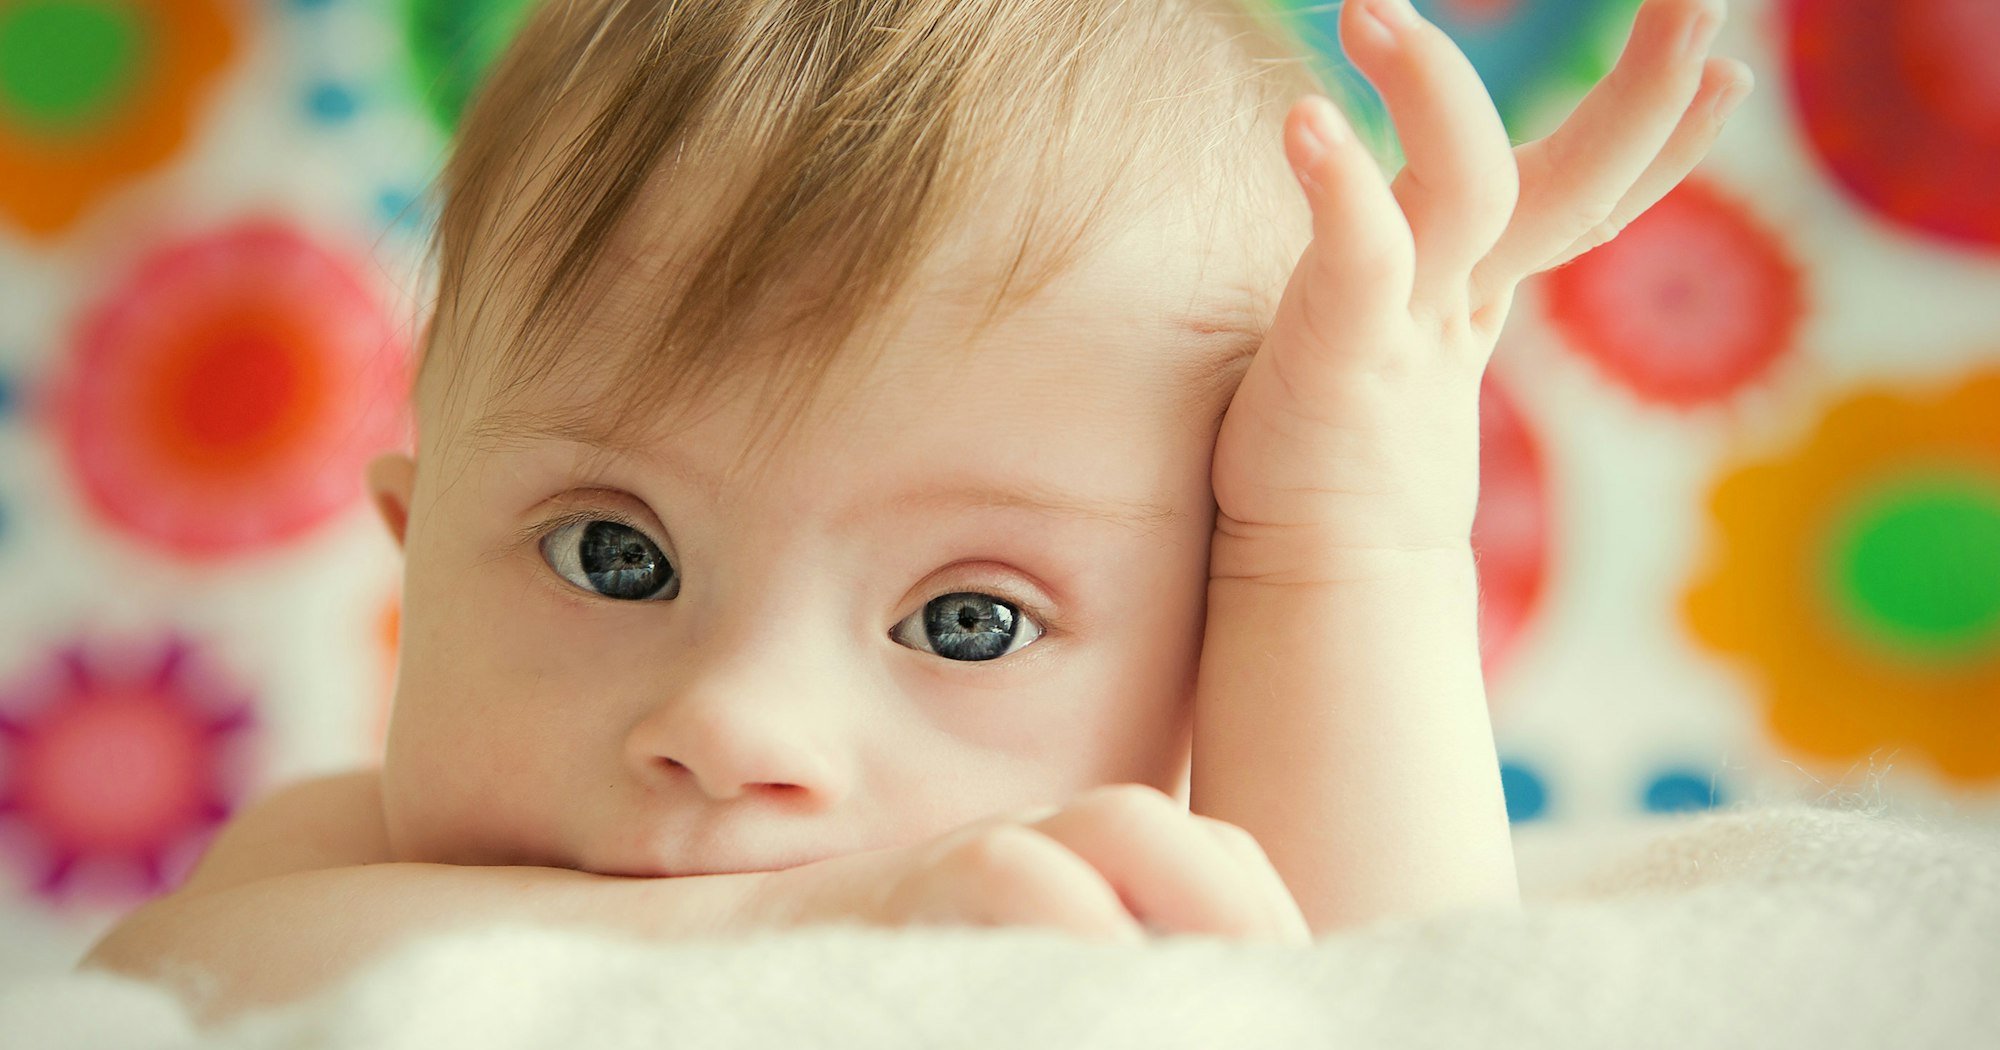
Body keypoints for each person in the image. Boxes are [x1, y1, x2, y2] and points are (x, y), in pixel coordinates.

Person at [81, 0, 1749, 1025]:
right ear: (408, 535)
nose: (736, 724)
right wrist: (814, 915)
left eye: (971, 618)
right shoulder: (336, 872)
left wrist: (1341, 544)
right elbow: (164, 984)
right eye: (617, 553)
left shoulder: (1116, 932)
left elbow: (1413, 997)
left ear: (1208, 675)